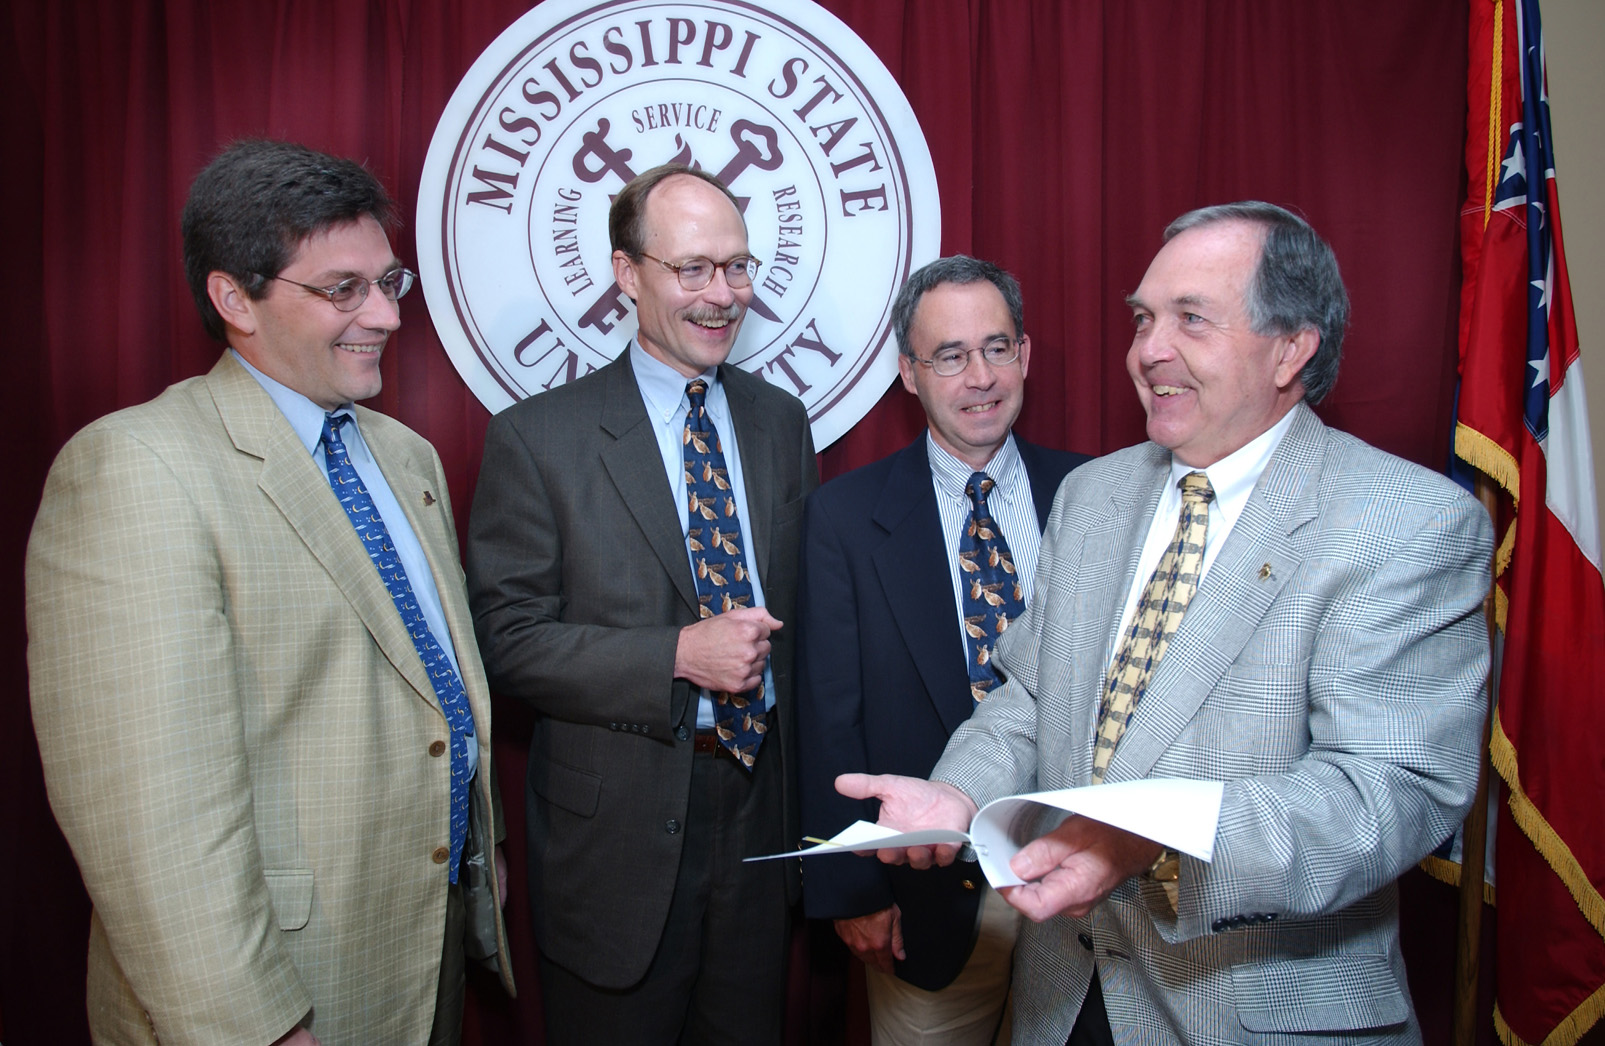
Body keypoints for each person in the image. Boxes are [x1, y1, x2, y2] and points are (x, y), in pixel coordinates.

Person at [840, 202, 1492, 1044]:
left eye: (1191, 319)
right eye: (1144, 319)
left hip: (1251, 1009)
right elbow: (1032, 696)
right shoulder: (1094, 496)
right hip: (1063, 997)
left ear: (1291, 347)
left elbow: (1387, 794)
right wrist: (959, 792)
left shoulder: (1403, 522)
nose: (1148, 351)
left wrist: (1151, 840)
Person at [26, 139, 513, 1046]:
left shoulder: (405, 457)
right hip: (273, 993)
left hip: (418, 956)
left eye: (388, 281)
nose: (386, 316)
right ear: (232, 298)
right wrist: (256, 1027)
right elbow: (149, 826)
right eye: (342, 289)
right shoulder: (137, 468)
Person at [466, 163, 818, 1043]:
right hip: (614, 844)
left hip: (759, 818)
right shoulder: (537, 438)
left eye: (736, 268)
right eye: (692, 268)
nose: (722, 294)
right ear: (628, 275)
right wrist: (674, 656)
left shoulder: (780, 422)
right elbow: (504, 641)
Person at [796, 255, 1086, 1044]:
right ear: (908, 374)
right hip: (925, 894)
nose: (980, 376)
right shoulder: (845, 516)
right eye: (950, 356)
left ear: (1025, 356)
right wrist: (851, 886)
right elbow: (828, 716)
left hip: (1083, 885)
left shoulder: (1099, 495)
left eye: (996, 348)